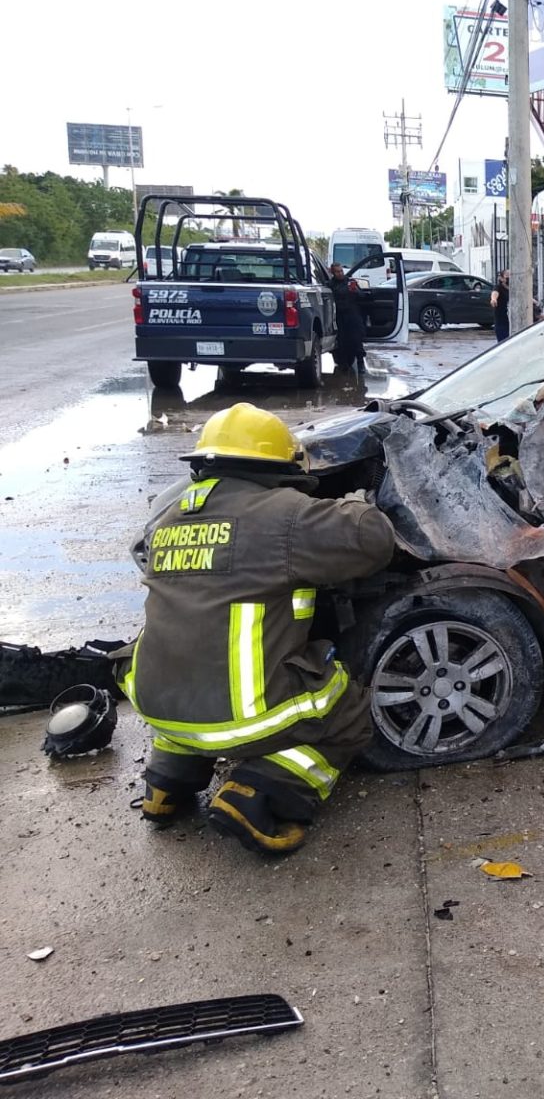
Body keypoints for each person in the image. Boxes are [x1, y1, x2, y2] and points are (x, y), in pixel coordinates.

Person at [123, 402, 396, 855]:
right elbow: (373, 539)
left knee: (195, 680)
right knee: (346, 710)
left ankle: (166, 783)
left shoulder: (168, 519)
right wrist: (354, 503)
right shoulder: (284, 514)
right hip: (243, 717)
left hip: (157, 704)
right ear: (278, 466)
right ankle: (261, 792)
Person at [326, 263, 367, 379]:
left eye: (341, 271)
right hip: (339, 316)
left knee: (357, 339)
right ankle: (344, 366)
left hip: (353, 315)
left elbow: (362, 295)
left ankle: (360, 363)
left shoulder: (350, 282)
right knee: (342, 342)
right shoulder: (330, 285)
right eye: (337, 272)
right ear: (333, 273)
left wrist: (355, 291)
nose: (340, 273)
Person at [489, 268, 511, 343]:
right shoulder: (499, 287)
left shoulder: (514, 288)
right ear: (501, 278)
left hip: (512, 322)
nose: (509, 278)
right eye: (507, 276)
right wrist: (493, 299)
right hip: (502, 323)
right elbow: (495, 293)